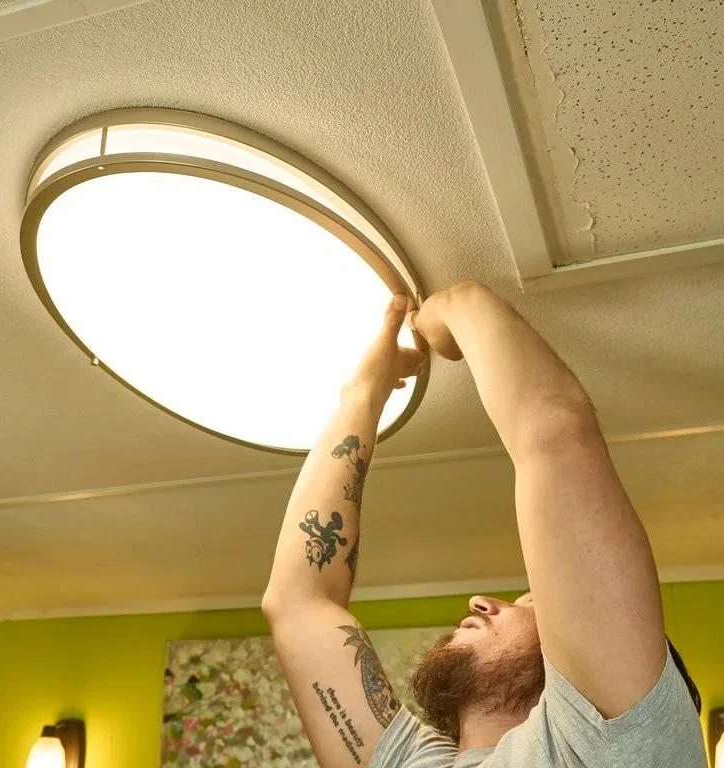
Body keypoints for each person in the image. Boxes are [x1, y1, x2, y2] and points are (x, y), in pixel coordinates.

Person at [262, 281, 707, 767]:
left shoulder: (620, 742)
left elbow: (298, 606)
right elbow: (301, 603)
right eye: (528, 602)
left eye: (527, 602)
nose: (479, 602)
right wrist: (363, 393)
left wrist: (462, 302)